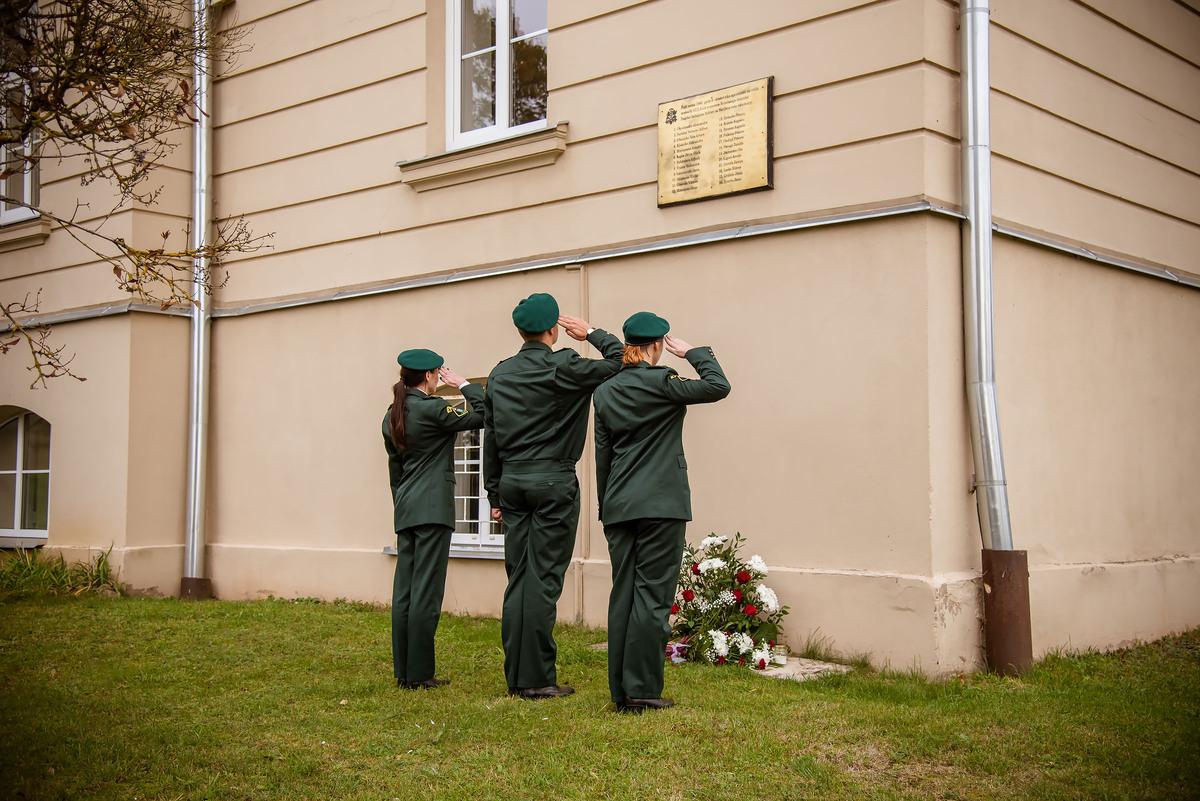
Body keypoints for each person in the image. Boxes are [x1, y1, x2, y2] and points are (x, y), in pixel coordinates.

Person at [484, 292, 623, 699]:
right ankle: (537, 679)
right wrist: (592, 332)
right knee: (542, 580)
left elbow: (490, 438)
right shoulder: (563, 365)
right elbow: (618, 362)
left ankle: (517, 676)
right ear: (552, 329)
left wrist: (494, 492)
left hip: (512, 483)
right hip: (552, 483)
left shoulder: (500, 374)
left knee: (519, 579)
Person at [592, 311, 731, 712]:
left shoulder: (605, 391)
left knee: (624, 595)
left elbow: (603, 455)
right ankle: (642, 689)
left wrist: (607, 505)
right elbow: (718, 386)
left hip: (619, 505)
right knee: (652, 598)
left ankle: (621, 689)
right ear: (656, 346)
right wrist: (693, 353)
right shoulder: (663, 382)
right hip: (661, 505)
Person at [382, 348, 483, 689]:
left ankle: (404, 671)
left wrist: (403, 503)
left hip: (407, 508)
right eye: (439, 373)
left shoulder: (391, 415)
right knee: (426, 592)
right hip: (433, 510)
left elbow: (395, 470)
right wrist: (465, 384)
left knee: (405, 593)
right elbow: (483, 414)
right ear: (428, 376)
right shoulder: (436, 408)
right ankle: (420, 674)